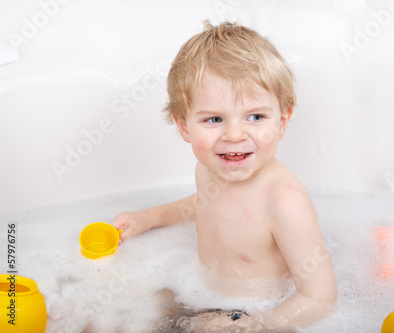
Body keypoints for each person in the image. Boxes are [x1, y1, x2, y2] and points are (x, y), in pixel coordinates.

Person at [112, 20, 337, 332]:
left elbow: (320, 298)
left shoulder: (284, 203)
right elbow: (201, 204)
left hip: (260, 311)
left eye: (255, 116)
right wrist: (149, 218)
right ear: (183, 126)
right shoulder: (207, 168)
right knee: (112, 313)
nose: (234, 134)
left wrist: (254, 325)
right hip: (196, 291)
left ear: (282, 121)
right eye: (214, 119)